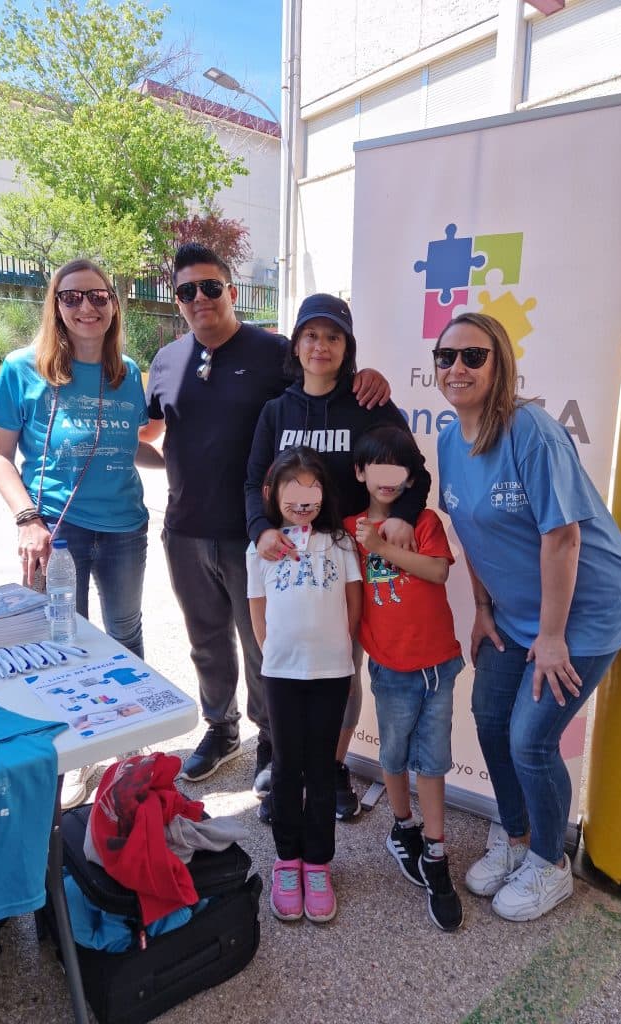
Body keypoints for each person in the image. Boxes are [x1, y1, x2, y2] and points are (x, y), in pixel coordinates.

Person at [141, 245, 388, 791]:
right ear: (177, 301)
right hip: (183, 530)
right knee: (205, 640)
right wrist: (174, 467)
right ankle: (220, 728)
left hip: (256, 535)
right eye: (186, 291)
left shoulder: (274, 350)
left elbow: (320, 379)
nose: (199, 298)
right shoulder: (164, 362)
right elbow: (146, 433)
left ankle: (270, 740)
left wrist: (367, 376)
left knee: (262, 644)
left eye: (210, 287)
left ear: (232, 292)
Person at [434, 312, 621, 922]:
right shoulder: (450, 438)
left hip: (585, 610)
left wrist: (552, 637)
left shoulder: (532, 432)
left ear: (499, 364)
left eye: (474, 356)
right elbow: (468, 529)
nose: (457, 368)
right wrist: (481, 606)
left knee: (530, 738)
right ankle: (516, 835)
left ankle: (551, 864)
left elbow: (563, 540)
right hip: (514, 612)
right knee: (489, 716)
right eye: (446, 357)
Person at [245, 293, 431, 821]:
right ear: (296, 345)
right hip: (285, 566)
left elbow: (414, 471)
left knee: (343, 672)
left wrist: (404, 516)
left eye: (332, 336)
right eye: (310, 335)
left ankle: (330, 768)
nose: (320, 345)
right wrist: (260, 529)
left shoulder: (368, 404)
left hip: (349, 564)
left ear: (347, 347)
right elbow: (250, 481)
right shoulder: (277, 410)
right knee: (282, 666)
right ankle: (289, 773)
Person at [0, 258, 149, 808]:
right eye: (73, 297)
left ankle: (129, 749)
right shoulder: (22, 368)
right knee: (60, 646)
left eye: (99, 297)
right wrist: (27, 519)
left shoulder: (126, 372)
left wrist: (190, 458)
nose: (87, 307)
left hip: (126, 528)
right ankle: (75, 754)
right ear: (55, 304)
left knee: (124, 636)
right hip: (57, 533)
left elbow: (134, 443)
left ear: (114, 306)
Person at [343, 426, 465, 932]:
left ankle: (436, 855)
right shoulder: (349, 529)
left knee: (433, 761)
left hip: (439, 664)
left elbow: (437, 573)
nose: (388, 478)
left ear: (410, 477)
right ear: (360, 473)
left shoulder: (424, 522)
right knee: (393, 756)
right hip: (391, 669)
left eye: (400, 470)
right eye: (378, 468)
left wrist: (386, 542)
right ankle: (403, 829)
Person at [246, 448, 362, 922]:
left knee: (321, 770)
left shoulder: (340, 543)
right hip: (282, 674)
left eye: (310, 498)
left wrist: (334, 647)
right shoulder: (261, 547)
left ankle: (318, 863)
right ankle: (286, 860)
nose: (301, 508)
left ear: (323, 495)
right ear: (273, 497)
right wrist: (278, 653)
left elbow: (354, 606)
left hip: (332, 672)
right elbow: (257, 612)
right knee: (286, 767)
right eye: (291, 500)